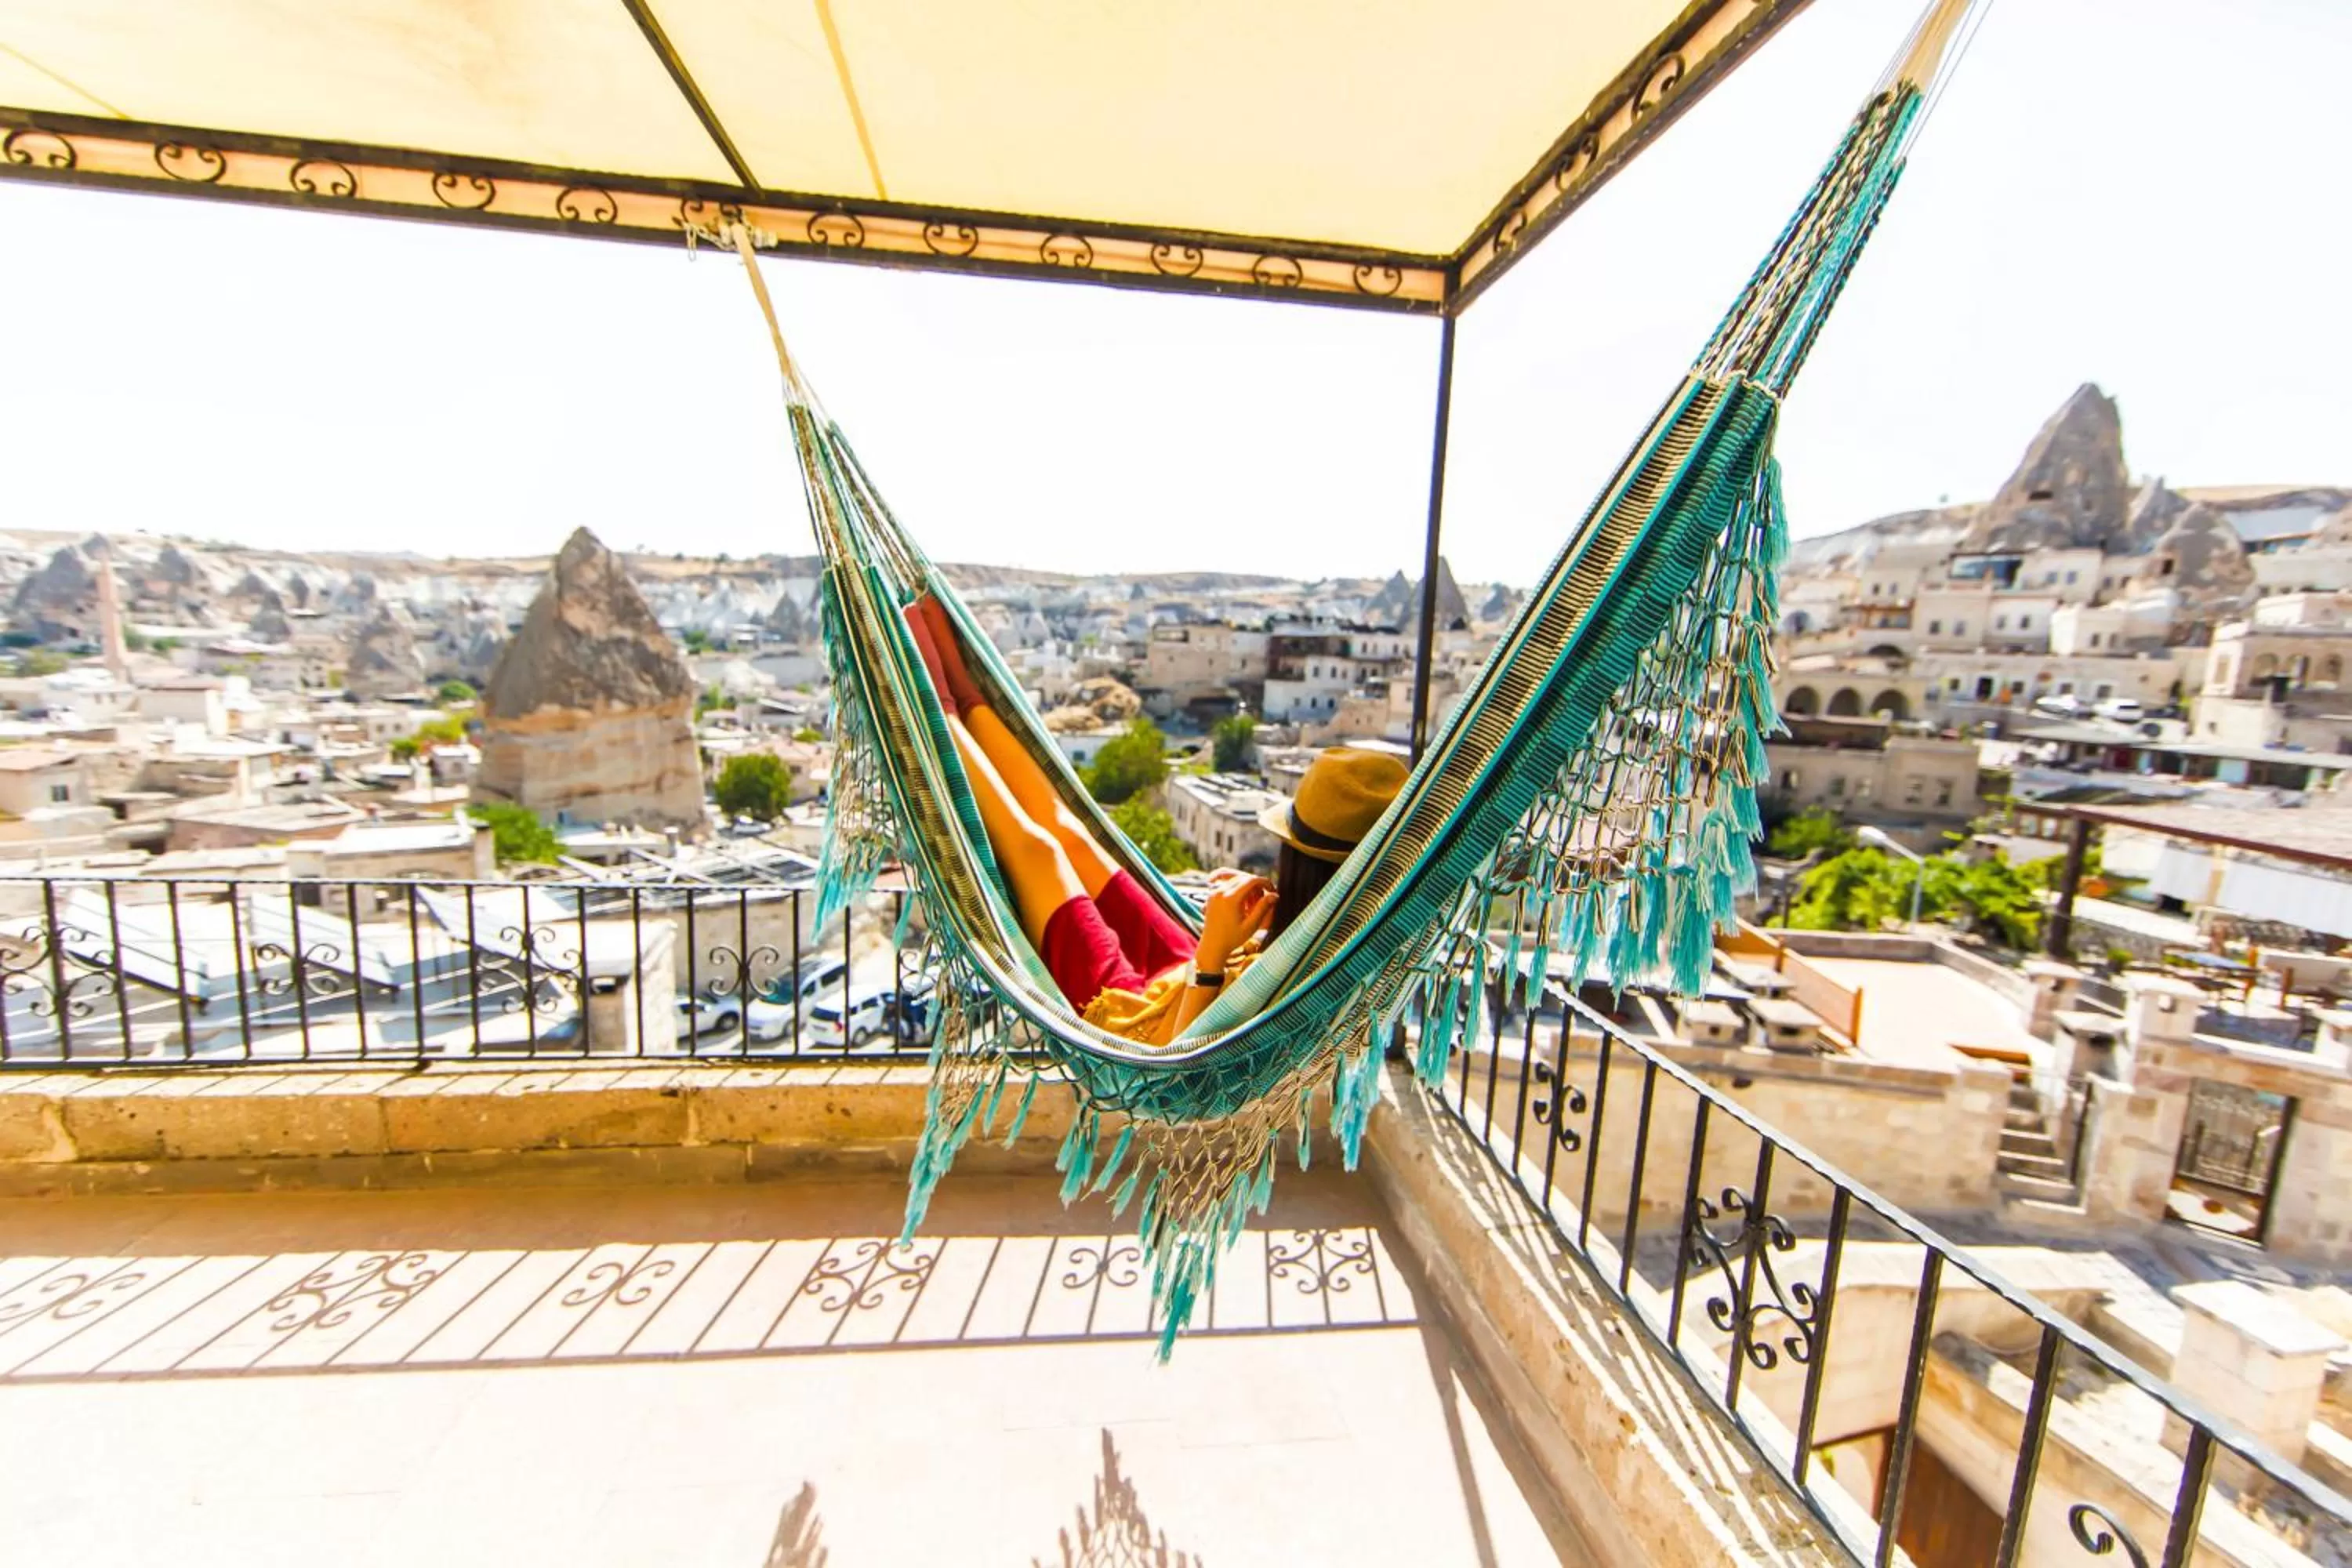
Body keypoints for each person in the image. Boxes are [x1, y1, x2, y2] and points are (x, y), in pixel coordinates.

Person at [899, 597, 1406, 1045]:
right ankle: (968, 695)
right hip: (1188, 973)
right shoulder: (1345, 927)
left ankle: (941, 707)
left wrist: (1213, 954)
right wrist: (1247, 931)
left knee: (1041, 851)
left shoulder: (1339, 958)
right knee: (1071, 836)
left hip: (1143, 1018)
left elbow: (1182, 1062)